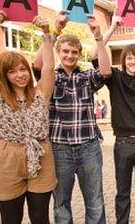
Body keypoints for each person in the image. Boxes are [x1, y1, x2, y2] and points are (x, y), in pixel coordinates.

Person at [32, 12, 111, 224]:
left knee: (95, 201)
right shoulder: (51, 76)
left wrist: (98, 36)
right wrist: (54, 31)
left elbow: (105, 71)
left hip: (89, 147)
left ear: (79, 54)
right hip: (59, 149)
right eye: (65, 51)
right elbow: (37, 66)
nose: (69, 55)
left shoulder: (86, 76)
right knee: (61, 202)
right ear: (58, 52)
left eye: (74, 52)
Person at [91, 15, 135, 224]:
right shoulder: (114, 78)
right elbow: (95, 56)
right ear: (124, 60)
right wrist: (109, 29)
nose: (133, 61)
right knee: (122, 193)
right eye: (129, 57)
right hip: (122, 144)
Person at [0, 12, 56, 224]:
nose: (20, 75)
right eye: (12, 71)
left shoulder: (40, 93)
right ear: (4, 75)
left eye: (23, 69)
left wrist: (47, 33)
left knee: (40, 217)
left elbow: (48, 67)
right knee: (11, 219)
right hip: (7, 158)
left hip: (40, 154)